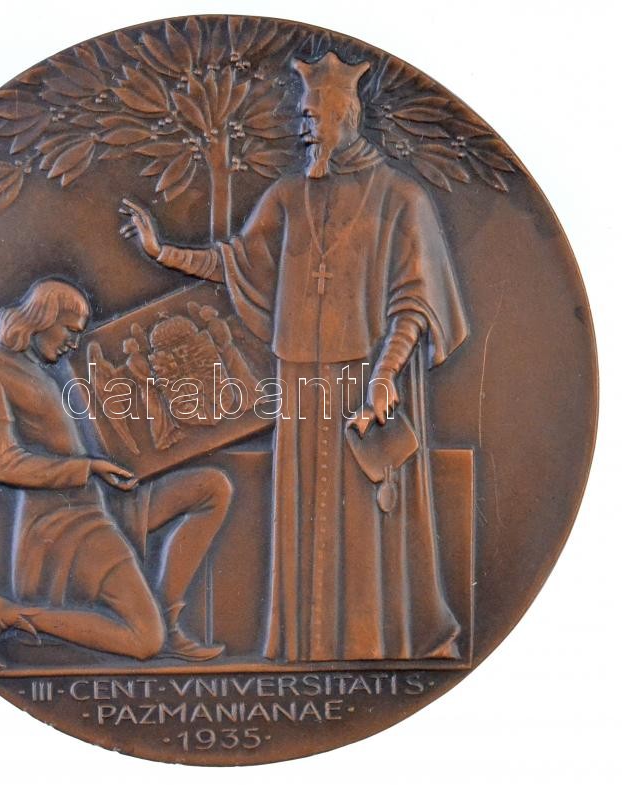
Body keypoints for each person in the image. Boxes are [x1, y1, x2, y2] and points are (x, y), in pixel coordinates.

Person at [120, 52, 469, 662]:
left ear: (343, 115)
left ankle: (380, 640)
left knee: (370, 514)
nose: (302, 128)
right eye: (300, 118)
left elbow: (413, 300)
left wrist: (385, 375)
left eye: (311, 117)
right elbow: (235, 263)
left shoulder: (401, 198)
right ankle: (311, 644)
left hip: (366, 379)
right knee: (305, 515)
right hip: (302, 383)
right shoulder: (287, 196)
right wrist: (162, 252)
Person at [0, 278, 231, 667]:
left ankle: (169, 622)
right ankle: (8, 615)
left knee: (212, 488)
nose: (74, 343)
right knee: (144, 640)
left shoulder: (41, 366)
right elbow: (4, 464)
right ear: (42, 318)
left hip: (105, 500)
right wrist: (87, 468)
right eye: (70, 330)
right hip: (64, 524)